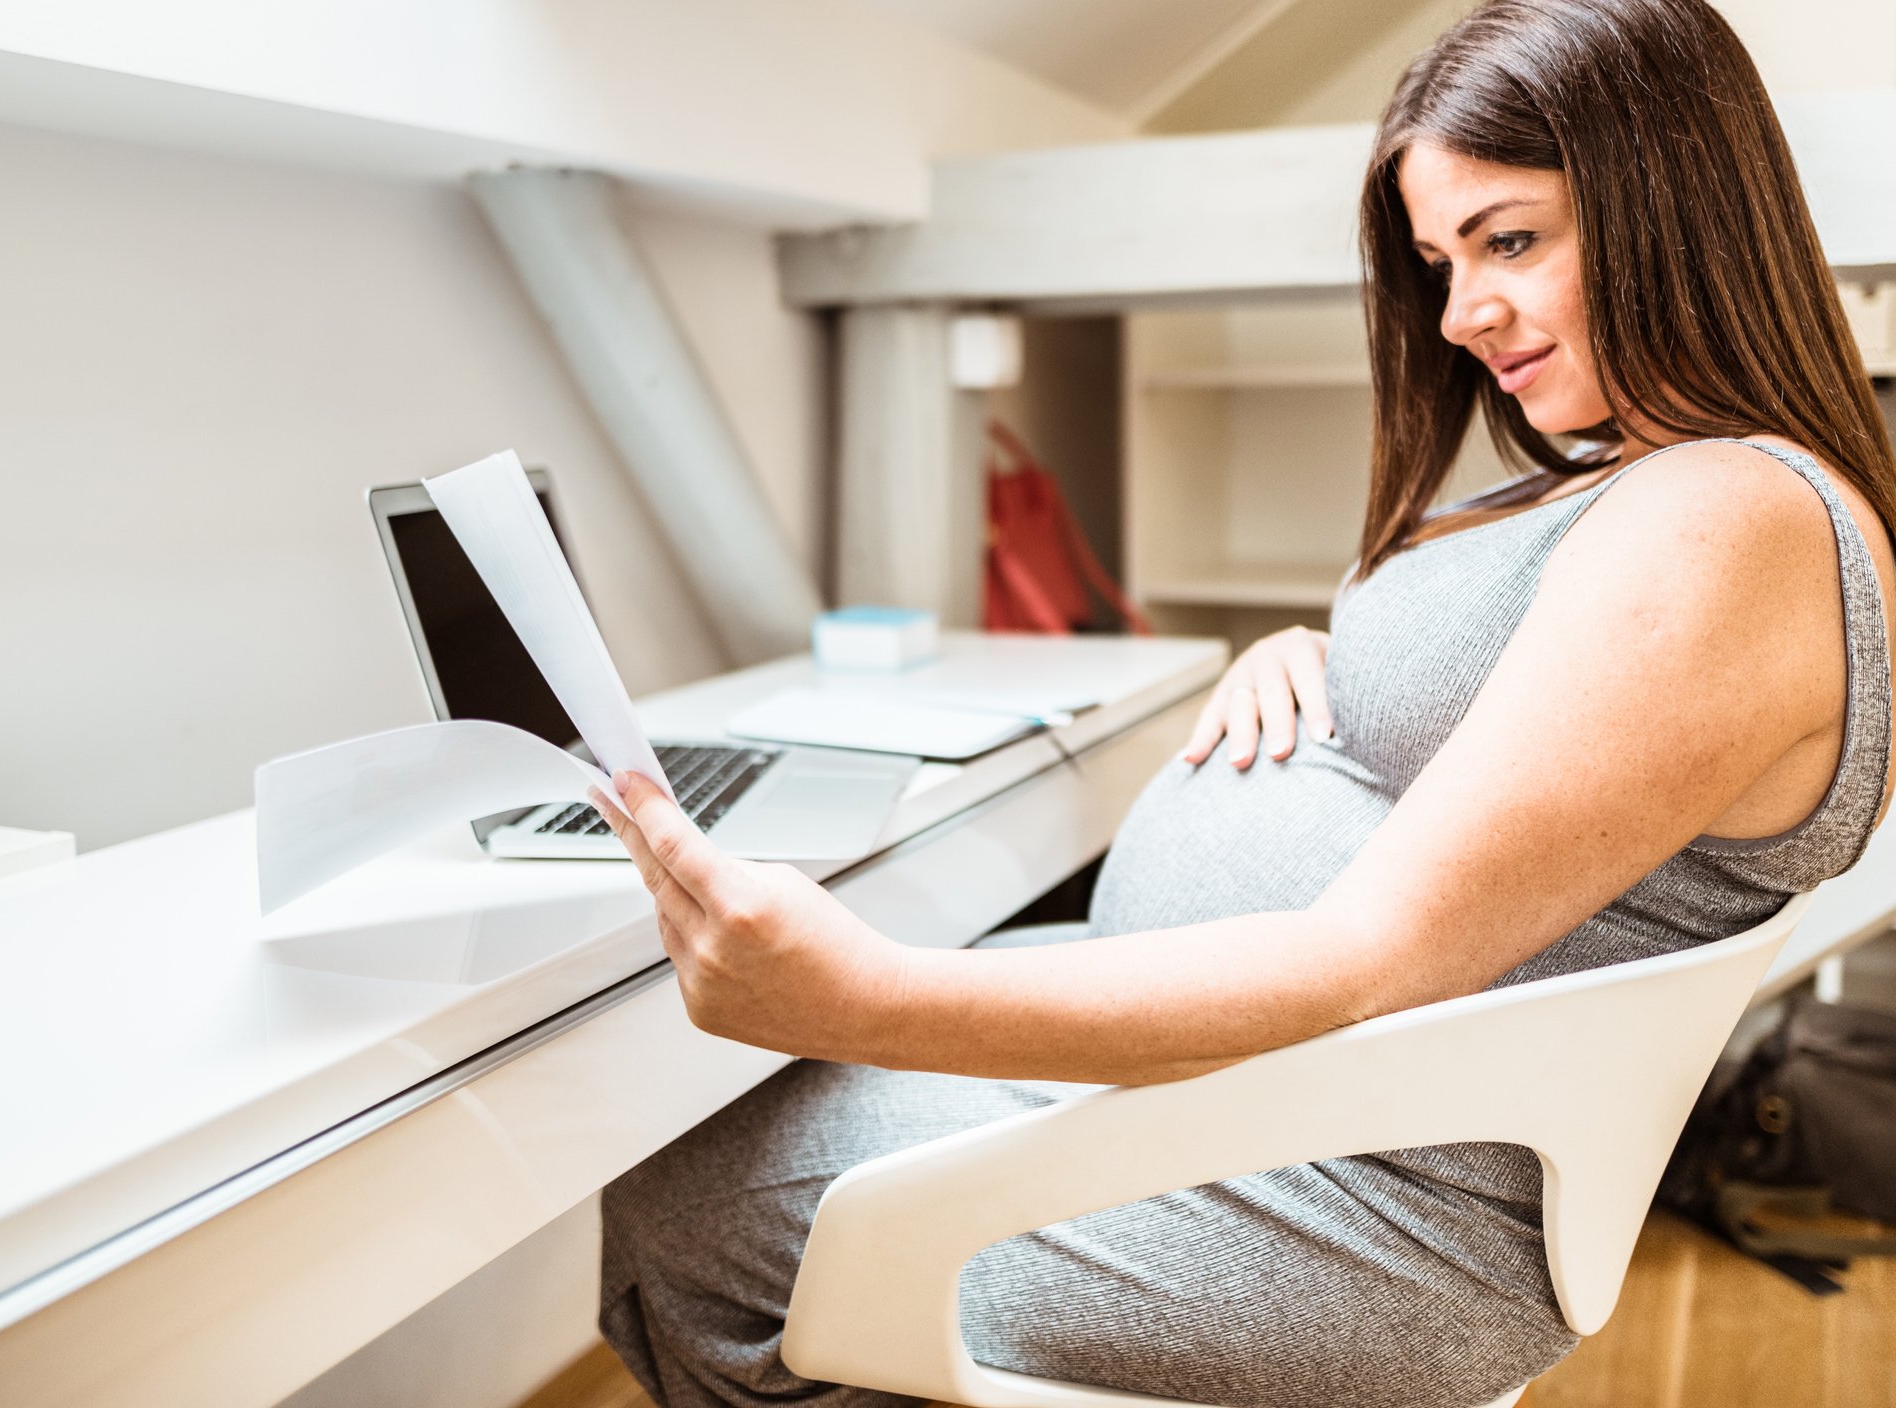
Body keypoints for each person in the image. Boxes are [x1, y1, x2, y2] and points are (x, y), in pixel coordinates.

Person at [586, 1, 1896, 1404]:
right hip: (1295, 1110)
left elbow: (1363, 959)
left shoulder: (1730, 518)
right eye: (1440, 261)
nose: (1461, 315)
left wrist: (864, 997)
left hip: (1363, 1185)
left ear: (1675, 201)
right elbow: (1543, 728)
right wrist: (1314, 662)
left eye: (1508, 239)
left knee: (691, 1201)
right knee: (716, 1137)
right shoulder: (1658, 482)